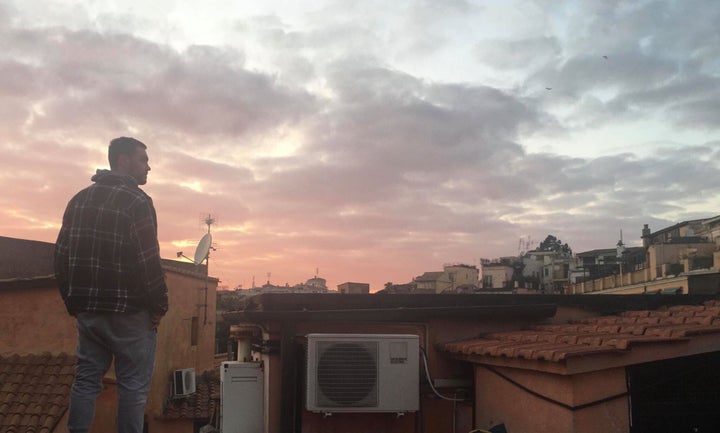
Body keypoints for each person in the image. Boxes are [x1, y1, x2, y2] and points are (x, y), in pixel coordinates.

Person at [54, 137, 169, 433]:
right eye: (143, 159)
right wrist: (159, 306)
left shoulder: (78, 200)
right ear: (123, 160)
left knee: (86, 380)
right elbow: (148, 262)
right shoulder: (138, 202)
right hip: (130, 314)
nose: (149, 167)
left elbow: (61, 257)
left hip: (89, 314)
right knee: (132, 387)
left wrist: (73, 303)